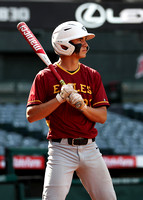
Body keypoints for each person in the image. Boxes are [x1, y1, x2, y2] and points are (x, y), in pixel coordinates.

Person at [26, 21, 117, 200]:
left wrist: (82, 107)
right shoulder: (44, 77)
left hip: (90, 148)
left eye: (85, 40)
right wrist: (59, 99)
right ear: (65, 45)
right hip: (61, 150)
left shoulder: (92, 75)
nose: (86, 44)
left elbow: (102, 117)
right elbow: (31, 115)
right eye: (80, 40)